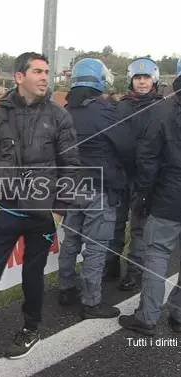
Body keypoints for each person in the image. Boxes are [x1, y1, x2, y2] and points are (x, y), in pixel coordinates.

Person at [0, 52, 80, 359]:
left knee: (32, 274)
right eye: (37, 71)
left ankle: (31, 329)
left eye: (47, 72)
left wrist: (58, 209)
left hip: (42, 214)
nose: (44, 77)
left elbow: (71, 166)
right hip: (5, 211)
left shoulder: (59, 115)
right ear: (19, 77)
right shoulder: (0, 114)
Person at [58, 58, 133, 318]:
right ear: (100, 80)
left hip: (70, 188)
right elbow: (126, 146)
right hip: (99, 189)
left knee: (70, 241)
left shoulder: (65, 111)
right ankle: (91, 302)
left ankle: (66, 288)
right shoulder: (105, 110)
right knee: (96, 247)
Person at [118, 58, 181, 335]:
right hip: (170, 191)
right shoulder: (162, 108)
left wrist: (143, 195)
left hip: (168, 196)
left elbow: (148, 158)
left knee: (156, 253)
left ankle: (147, 317)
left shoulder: (163, 110)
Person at [106, 57, 163, 289]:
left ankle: (135, 271)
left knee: (140, 227)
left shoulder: (162, 107)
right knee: (115, 222)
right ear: (131, 80)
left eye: (146, 78)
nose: (141, 82)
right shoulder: (121, 106)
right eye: (137, 78)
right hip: (120, 175)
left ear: (154, 80)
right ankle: (110, 266)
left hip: (146, 178)